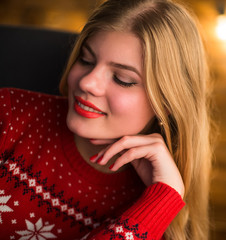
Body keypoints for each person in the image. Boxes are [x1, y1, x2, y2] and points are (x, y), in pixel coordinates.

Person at [0, 0, 214, 239]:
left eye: (122, 78)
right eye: (86, 60)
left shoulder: (158, 201)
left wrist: (162, 198)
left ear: (167, 102)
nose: (86, 82)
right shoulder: (8, 113)